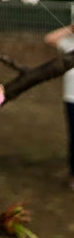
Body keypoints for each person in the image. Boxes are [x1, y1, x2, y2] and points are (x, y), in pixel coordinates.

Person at [45, 22, 74, 188]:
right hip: (71, 97)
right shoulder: (69, 42)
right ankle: (72, 174)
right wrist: (70, 28)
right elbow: (49, 39)